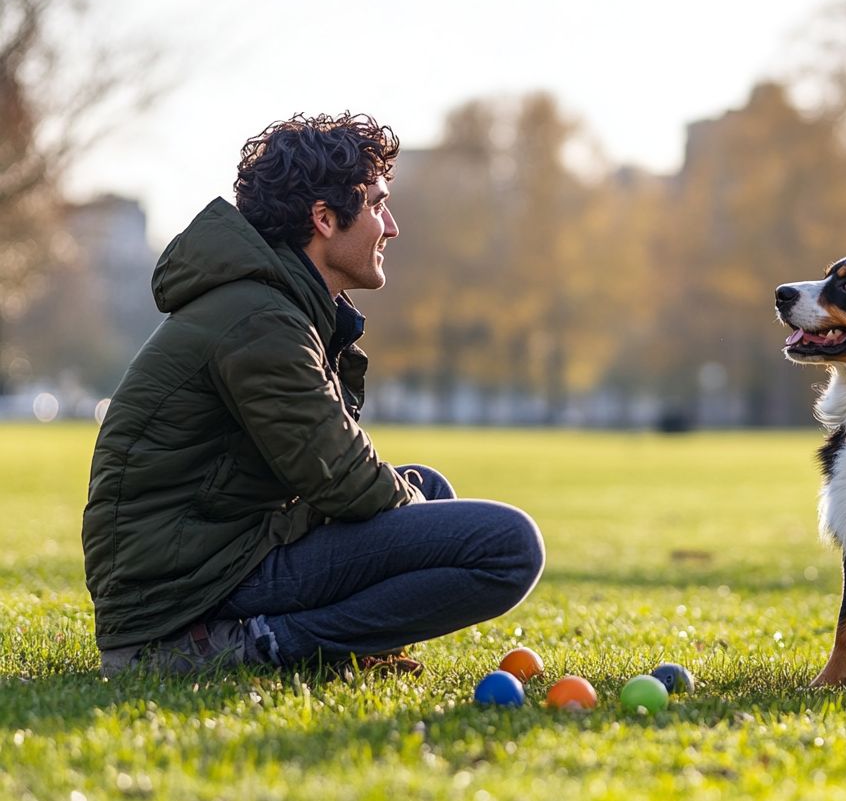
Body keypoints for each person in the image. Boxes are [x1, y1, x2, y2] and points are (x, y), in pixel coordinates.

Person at [83, 112, 545, 676]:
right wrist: (416, 522)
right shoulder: (259, 319)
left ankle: (330, 645)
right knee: (509, 547)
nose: (391, 226)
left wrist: (416, 511)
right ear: (324, 219)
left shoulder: (276, 307)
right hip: (181, 587)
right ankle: (253, 646)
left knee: (430, 488)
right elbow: (342, 478)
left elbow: (328, 471)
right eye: (376, 205)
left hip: (218, 552)